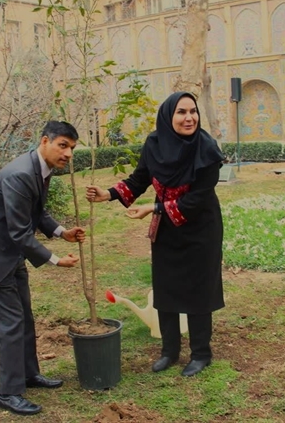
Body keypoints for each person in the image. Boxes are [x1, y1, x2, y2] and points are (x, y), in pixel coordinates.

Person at [86, 91, 225, 377]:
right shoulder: (154, 144)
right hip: (167, 229)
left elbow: (197, 199)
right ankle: (169, 352)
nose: (189, 118)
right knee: (167, 287)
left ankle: (201, 354)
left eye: (193, 111)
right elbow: (140, 178)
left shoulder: (207, 149)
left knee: (198, 289)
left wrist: (154, 207)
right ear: (168, 116)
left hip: (201, 228)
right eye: (181, 112)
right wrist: (109, 194)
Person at [0, 121, 85, 416]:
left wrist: (61, 232)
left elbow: (36, 211)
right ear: (45, 141)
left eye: (72, 148)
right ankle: (8, 392)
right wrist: (55, 260)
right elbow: (19, 232)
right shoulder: (19, 174)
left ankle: (28, 375)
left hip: (10, 253)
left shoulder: (41, 168)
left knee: (24, 318)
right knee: (12, 324)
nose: (67, 153)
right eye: (62, 145)